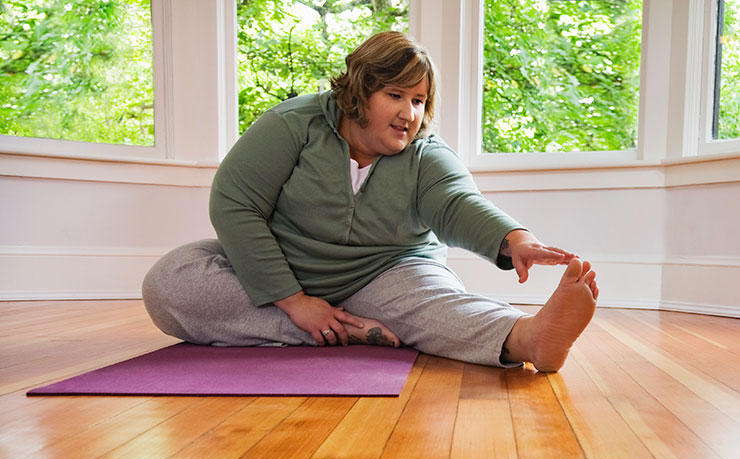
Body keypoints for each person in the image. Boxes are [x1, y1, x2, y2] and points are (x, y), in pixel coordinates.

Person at [142, 31, 598, 372]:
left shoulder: (426, 154)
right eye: (395, 95)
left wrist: (513, 238)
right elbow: (234, 203)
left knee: (434, 304)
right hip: (287, 270)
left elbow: (456, 203)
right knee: (171, 282)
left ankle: (528, 339)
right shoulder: (292, 125)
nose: (409, 114)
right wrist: (294, 301)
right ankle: (345, 331)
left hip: (388, 273)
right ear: (359, 92)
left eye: (419, 100)